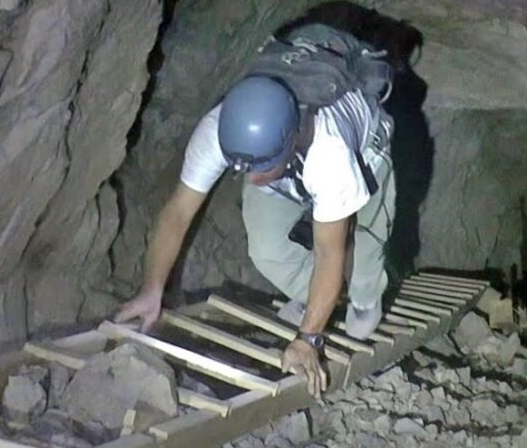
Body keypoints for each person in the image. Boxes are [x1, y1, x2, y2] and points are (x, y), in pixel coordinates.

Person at [115, 29, 395, 398]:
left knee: (365, 254)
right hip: (284, 160)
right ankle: (313, 298)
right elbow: (178, 213)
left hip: (366, 154)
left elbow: (331, 250)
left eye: (259, 168)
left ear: (290, 140)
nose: (250, 177)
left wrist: (309, 339)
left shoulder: (332, 155)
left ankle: (362, 301)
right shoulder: (221, 130)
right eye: (241, 168)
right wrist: (152, 288)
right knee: (266, 249)